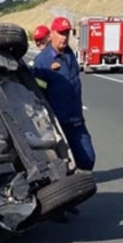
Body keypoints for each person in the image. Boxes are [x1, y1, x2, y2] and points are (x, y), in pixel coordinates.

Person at [33, 16, 95, 171]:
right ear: (52, 34)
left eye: (66, 33)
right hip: (57, 123)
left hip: (76, 119)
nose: (64, 37)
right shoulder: (42, 61)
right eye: (61, 33)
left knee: (88, 159)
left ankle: (77, 178)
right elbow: (37, 90)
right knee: (61, 165)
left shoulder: (69, 54)